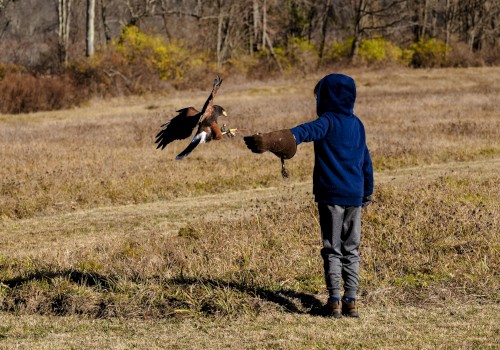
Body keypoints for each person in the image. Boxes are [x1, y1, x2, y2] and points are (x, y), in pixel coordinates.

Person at [243, 73, 374, 318]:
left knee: (332, 248)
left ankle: (334, 302)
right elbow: (366, 160)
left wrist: (274, 139)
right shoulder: (358, 124)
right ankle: (351, 302)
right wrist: (367, 191)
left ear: (326, 98)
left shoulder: (327, 121)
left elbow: (303, 132)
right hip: (355, 196)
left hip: (331, 195)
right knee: (351, 249)